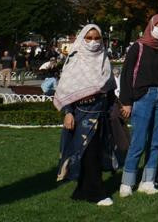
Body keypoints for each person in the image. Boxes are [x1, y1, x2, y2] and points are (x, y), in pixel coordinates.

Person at [54, 24, 119, 206]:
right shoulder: (74, 60)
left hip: (101, 115)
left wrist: (115, 106)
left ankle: (82, 191)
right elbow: (66, 88)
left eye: (97, 38)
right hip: (81, 115)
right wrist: (68, 113)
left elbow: (110, 88)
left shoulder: (104, 59)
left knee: (94, 154)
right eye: (89, 38)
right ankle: (96, 193)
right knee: (87, 154)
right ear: (82, 39)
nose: (93, 42)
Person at [118, 14, 158, 197]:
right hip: (142, 97)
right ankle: (127, 182)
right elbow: (127, 74)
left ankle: (148, 180)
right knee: (138, 141)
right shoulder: (138, 47)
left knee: (156, 141)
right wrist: (127, 101)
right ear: (151, 25)